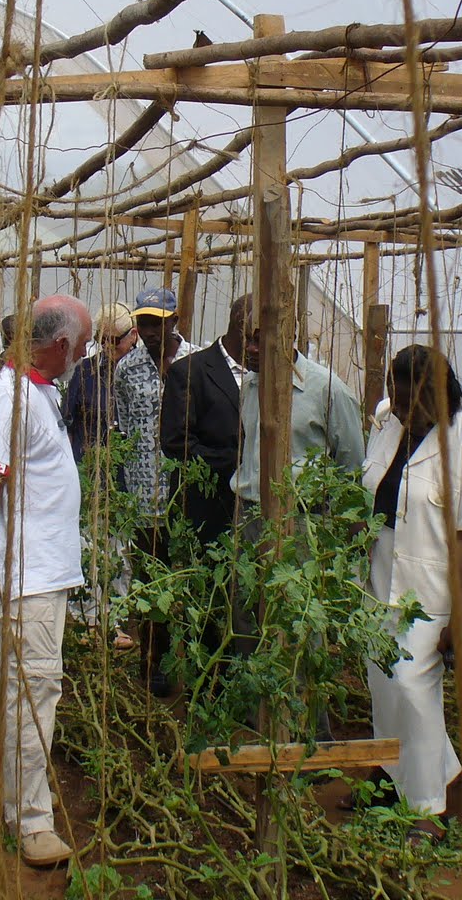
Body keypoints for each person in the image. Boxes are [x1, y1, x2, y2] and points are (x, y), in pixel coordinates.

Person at [0, 295, 91, 869]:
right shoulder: (11, 395)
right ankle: (30, 822)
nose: (82, 356)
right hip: (29, 576)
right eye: (78, 347)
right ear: (58, 346)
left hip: (32, 572)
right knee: (33, 691)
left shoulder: (35, 390)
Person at [360, 346, 462, 844]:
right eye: (395, 399)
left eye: (410, 403)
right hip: (379, 579)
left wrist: (460, 619)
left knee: (413, 690)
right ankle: (387, 775)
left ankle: (426, 811)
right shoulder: (387, 420)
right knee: (382, 684)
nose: (401, 411)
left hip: (430, 592)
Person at [113, 285, 193, 694]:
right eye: (142, 323)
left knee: (194, 579)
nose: (147, 330)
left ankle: (197, 661)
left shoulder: (198, 364)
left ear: (174, 321)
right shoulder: (126, 370)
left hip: (190, 495)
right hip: (146, 502)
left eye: (156, 323)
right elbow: (123, 434)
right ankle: (155, 662)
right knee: (151, 583)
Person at [231, 300, 365, 517]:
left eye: (260, 340)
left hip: (304, 519)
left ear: (289, 338)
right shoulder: (250, 384)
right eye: (247, 339)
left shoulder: (327, 389)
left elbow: (352, 464)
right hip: (248, 516)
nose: (250, 349)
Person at [160, 294, 248, 545]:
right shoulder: (189, 371)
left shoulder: (267, 373)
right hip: (210, 510)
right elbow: (175, 443)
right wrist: (239, 463)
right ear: (241, 324)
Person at [62, 302, 138, 461]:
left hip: (128, 468)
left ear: (133, 335)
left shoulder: (141, 376)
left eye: (114, 340)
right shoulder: (84, 371)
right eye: (101, 339)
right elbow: (67, 424)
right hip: (88, 466)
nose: (107, 346)